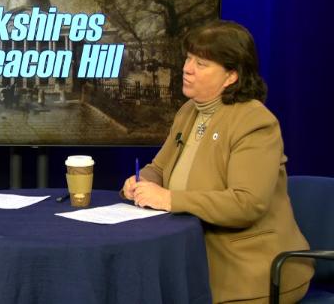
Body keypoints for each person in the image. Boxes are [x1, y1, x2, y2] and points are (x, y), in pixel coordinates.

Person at [121, 20, 313, 303]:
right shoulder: (189, 111)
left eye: (201, 64)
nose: (187, 69)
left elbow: (246, 204)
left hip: (249, 272)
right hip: (192, 258)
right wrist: (143, 181)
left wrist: (169, 199)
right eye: (188, 59)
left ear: (231, 76)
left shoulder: (255, 121)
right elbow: (159, 167)